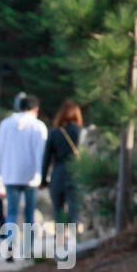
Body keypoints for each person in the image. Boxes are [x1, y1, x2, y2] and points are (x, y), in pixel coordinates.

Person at [0, 93, 48, 262]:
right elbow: (41, 154)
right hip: (31, 177)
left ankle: (9, 245)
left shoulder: (6, 124)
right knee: (29, 214)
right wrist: (42, 175)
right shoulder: (38, 126)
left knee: (12, 213)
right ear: (35, 109)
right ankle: (28, 251)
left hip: (10, 175)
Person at [41, 100, 84, 236]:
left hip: (58, 174)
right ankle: (73, 245)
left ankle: (60, 246)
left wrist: (43, 180)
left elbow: (46, 158)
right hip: (75, 175)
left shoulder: (54, 133)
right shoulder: (81, 132)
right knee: (74, 211)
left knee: (58, 212)